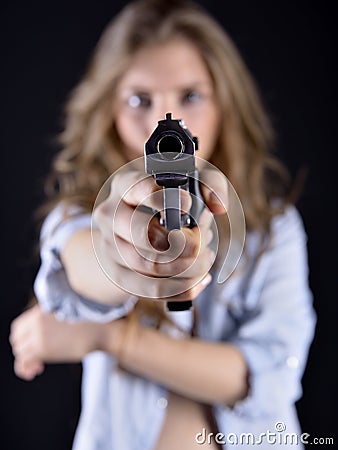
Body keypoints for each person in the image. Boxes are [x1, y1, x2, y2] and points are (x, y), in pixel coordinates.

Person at [9, 0, 316, 449]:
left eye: (190, 95)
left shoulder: (275, 230)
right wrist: (123, 255)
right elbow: (83, 260)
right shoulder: (85, 214)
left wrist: (105, 337)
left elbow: (264, 378)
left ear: (224, 102)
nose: (165, 120)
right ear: (109, 111)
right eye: (140, 99)